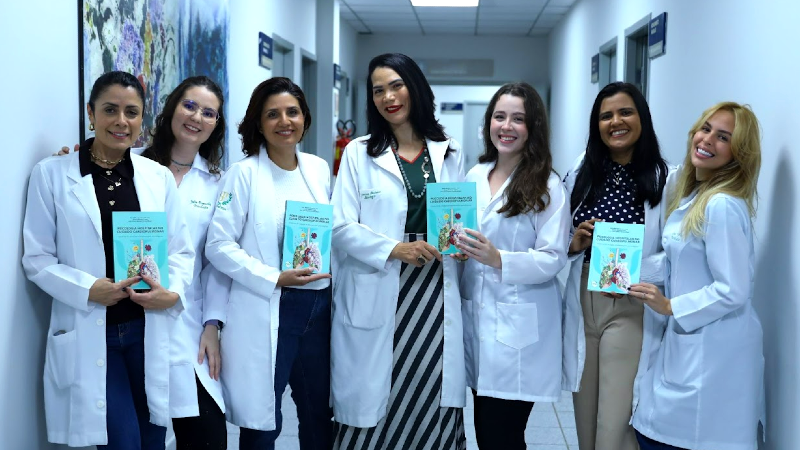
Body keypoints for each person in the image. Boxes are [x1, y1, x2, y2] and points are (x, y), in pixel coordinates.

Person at [57, 75, 232, 449]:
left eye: (209, 112)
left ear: (216, 124)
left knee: (201, 432)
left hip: (187, 318)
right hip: (130, 316)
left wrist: (213, 324)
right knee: (138, 432)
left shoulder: (220, 183)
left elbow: (212, 261)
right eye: (189, 105)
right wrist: (69, 163)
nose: (196, 117)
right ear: (169, 110)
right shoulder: (133, 165)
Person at [22, 71, 195, 449]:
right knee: (122, 442)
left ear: (142, 120)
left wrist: (173, 292)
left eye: (132, 112)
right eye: (110, 110)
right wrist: (89, 289)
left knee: (152, 438)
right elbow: (37, 258)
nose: (121, 121)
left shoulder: (157, 177)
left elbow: (180, 250)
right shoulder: (52, 175)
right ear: (91, 113)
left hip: (148, 329)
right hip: (93, 331)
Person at [330, 52, 467, 449]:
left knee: (430, 386)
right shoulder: (359, 152)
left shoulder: (448, 150)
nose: (388, 97)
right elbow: (339, 227)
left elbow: (459, 214)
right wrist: (394, 249)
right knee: (374, 401)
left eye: (396, 85)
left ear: (415, 88)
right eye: (378, 90)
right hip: (384, 281)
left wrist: (460, 239)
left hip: (435, 293)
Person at [205, 77, 333, 450]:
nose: (284, 121)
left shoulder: (318, 169)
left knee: (317, 413)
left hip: (318, 306)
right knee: (264, 422)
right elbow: (218, 245)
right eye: (272, 114)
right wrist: (274, 277)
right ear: (258, 124)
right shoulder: (242, 175)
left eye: (292, 112)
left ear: (305, 119)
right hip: (272, 305)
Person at [628, 102, 765, 450]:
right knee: (652, 432)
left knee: (667, 438)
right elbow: (677, 260)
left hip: (712, 356)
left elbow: (733, 289)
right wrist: (619, 269)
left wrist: (670, 305)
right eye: (706, 129)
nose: (707, 140)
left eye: (724, 137)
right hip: (688, 350)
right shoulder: (696, 196)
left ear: (739, 153)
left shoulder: (721, 205)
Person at [456, 82, 570, 449]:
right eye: (499, 116)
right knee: (488, 434)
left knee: (502, 437)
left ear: (533, 127)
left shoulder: (547, 185)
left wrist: (498, 258)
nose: (506, 126)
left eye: (518, 119)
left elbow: (553, 258)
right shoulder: (474, 175)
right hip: (478, 323)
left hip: (518, 334)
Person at [561, 82, 670, 450]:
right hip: (582, 300)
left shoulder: (665, 178)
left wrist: (635, 271)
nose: (615, 122)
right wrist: (573, 243)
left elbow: (674, 253)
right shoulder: (582, 171)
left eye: (626, 112)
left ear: (642, 118)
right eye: (606, 116)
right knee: (585, 417)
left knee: (614, 421)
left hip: (629, 305)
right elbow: (556, 236)